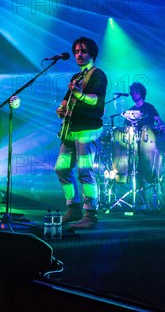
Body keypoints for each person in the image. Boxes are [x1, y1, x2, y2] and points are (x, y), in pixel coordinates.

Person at [55, 37, 107, 229]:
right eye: (76, 51)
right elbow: (65, 99)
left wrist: (79, 95)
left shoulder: (97, 75)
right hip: (70, 130)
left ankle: (90, 215)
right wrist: (60, 109)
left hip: (87, 130)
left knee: (85, 171)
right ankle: (73, 208)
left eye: (83, 51)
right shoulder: (75, 78)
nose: (78, 54)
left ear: (92, 54)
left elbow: (96, 100)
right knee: (61, 168)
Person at [125, 82, 165, 192]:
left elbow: (159, 121)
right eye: (131, 92)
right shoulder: (130, 111)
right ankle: (139, 194)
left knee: (148, 168)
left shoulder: (149, 108)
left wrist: (164, 128)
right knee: (136, 168)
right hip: (134, 145)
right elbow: (125, 127)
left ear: (141, 93)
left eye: (135, 92)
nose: (132, 94)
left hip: (149, 145)